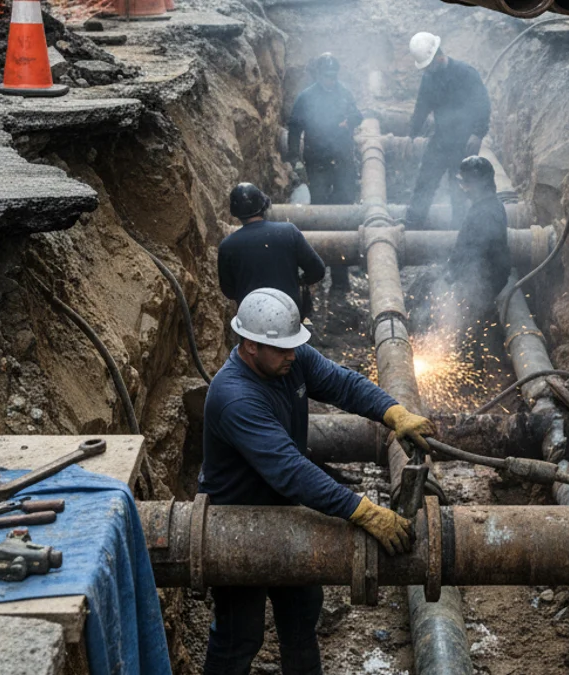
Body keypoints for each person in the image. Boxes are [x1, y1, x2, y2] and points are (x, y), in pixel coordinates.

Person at [199, 287, 436, 675]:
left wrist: (392, 412)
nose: (292, 354)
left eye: (295, 346)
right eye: (282, 349)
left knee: (301, 616)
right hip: (238, 523)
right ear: (250, 345)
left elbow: (341, 383)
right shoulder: (235, 397)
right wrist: (363, 511)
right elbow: (290, 471)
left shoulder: (289, 358)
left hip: (288, 512)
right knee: (240, 636)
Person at [287, 52, 363, 291]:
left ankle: (341, 278)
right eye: (326, 76)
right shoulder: (306, 98)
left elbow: (357, 115)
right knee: (320, 214)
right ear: (318, 75)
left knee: (342, 213)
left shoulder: (344, 93)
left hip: (342, 163)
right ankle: (317, 272)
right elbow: (294, 130)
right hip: (317, 162)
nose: (330, 80)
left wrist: (349, 123)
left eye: (333, 76)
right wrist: (294, 160)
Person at [404, 32, 491, 230]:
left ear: (438, 57)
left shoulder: (466, 73)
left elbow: (483, 104)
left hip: (464, 143)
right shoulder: (429, 78)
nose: (426, 70)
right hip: (441, 139)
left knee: (459, 189)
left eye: (428, 65)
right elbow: (421, 108)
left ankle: (458, 232)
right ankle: (412, 225)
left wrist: (478, 133)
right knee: (425, 182)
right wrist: (411, 135)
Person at [218, 182, 325, 319]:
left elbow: (229, 291)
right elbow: (318, 270)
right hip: (289, 318)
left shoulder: (227, 246)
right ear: (264, 205)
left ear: (235, 212)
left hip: (251, 322)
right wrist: (298, 281)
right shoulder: (289, 231)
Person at [446, 156, 510, 369]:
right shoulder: (488, 206)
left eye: (467, 183)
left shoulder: (485, 214)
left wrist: (454, 275)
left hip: (483, 280)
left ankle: (470, 370)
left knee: (469, 324)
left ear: (479, 184)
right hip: (486, 277)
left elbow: (473, 252)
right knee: (476, 320)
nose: (464, 188)